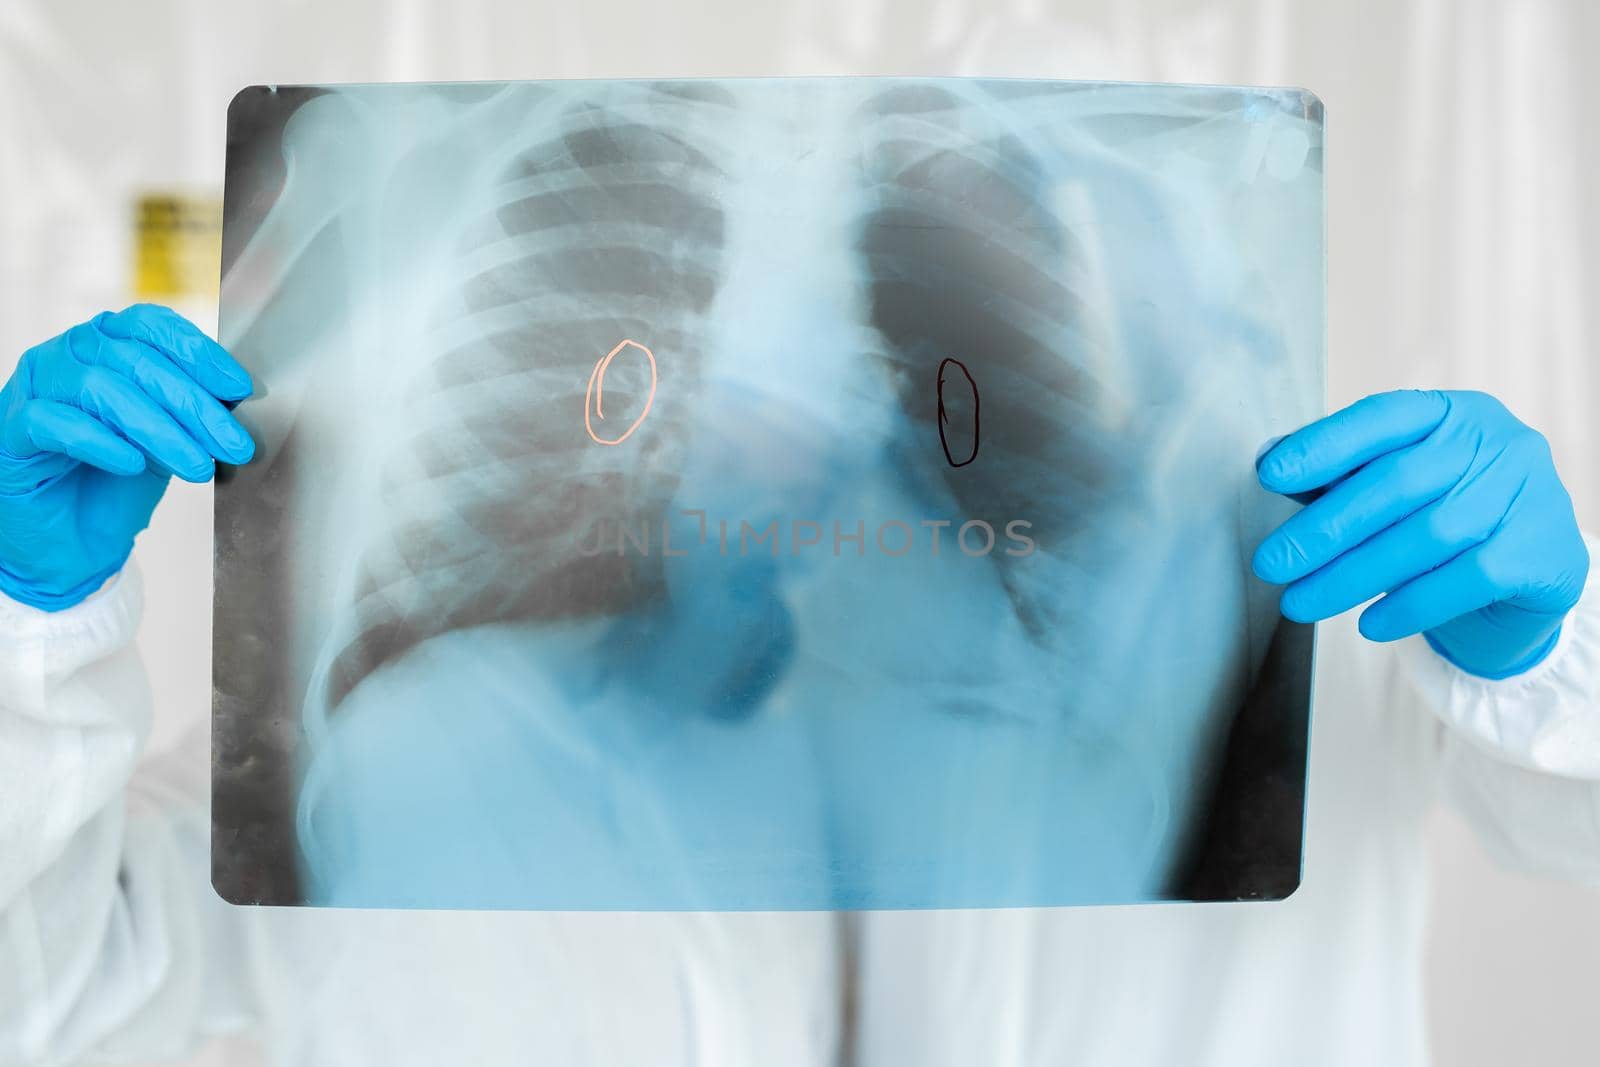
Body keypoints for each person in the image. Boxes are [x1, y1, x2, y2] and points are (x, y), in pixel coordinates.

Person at [0, 303, 1596, 1066]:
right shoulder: (411, 743)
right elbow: (42, 996)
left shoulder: (1282, 626)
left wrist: (1546, 644)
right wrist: (29, 627)